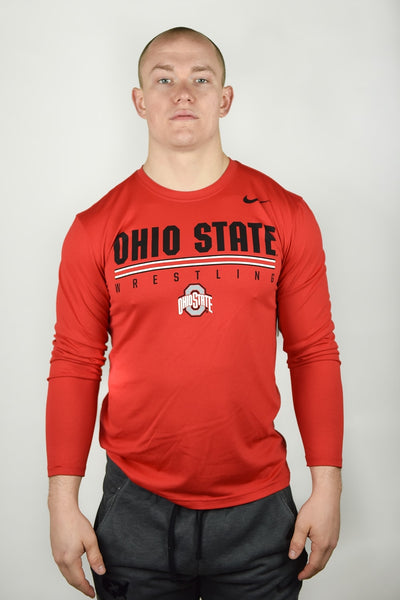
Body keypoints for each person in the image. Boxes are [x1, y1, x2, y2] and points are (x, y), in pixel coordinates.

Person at [46, 26, 343, 600]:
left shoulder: (285, 213)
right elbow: (75, 364)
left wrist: (327, 486)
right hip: (134, 508)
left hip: (259, 509)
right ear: (140, 101)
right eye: (164, 79)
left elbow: (313, 353)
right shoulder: (94, 228)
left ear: (224, 98)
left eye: (200, 79)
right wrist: (62, 501)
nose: (183, 92)